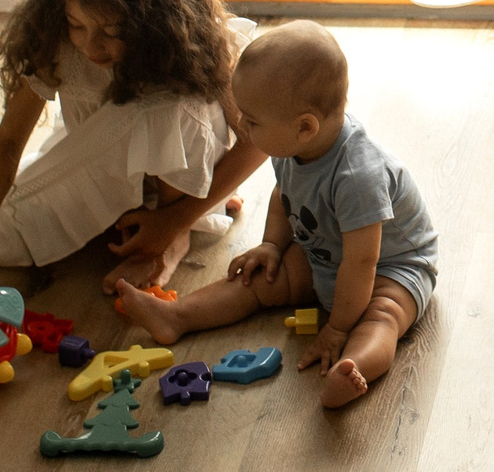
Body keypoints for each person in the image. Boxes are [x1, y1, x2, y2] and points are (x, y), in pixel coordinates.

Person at [119, 22, 439, 409]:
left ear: (305, 126)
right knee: (257, 278)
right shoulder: (292, 147)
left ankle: (355, 367)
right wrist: (272, 244)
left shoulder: (359, 176)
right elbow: (283, 194)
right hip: (325, 251)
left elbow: (363, 260)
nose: (242, 127)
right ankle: (176, 316)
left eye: (252, 121)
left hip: (391, 266)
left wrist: (337, 328)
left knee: (383, 317)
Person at [0, 0, 257, 292]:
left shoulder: (192, 42)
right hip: (108, 151)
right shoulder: (52, 39)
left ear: (153, 19)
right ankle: (145, 211)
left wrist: (173, 221)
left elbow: (256, 143)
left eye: (112, 30)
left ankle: (175, 234)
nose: (91, 46)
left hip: (184, 164)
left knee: (163, 105)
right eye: (77, 25)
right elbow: (7, 143)